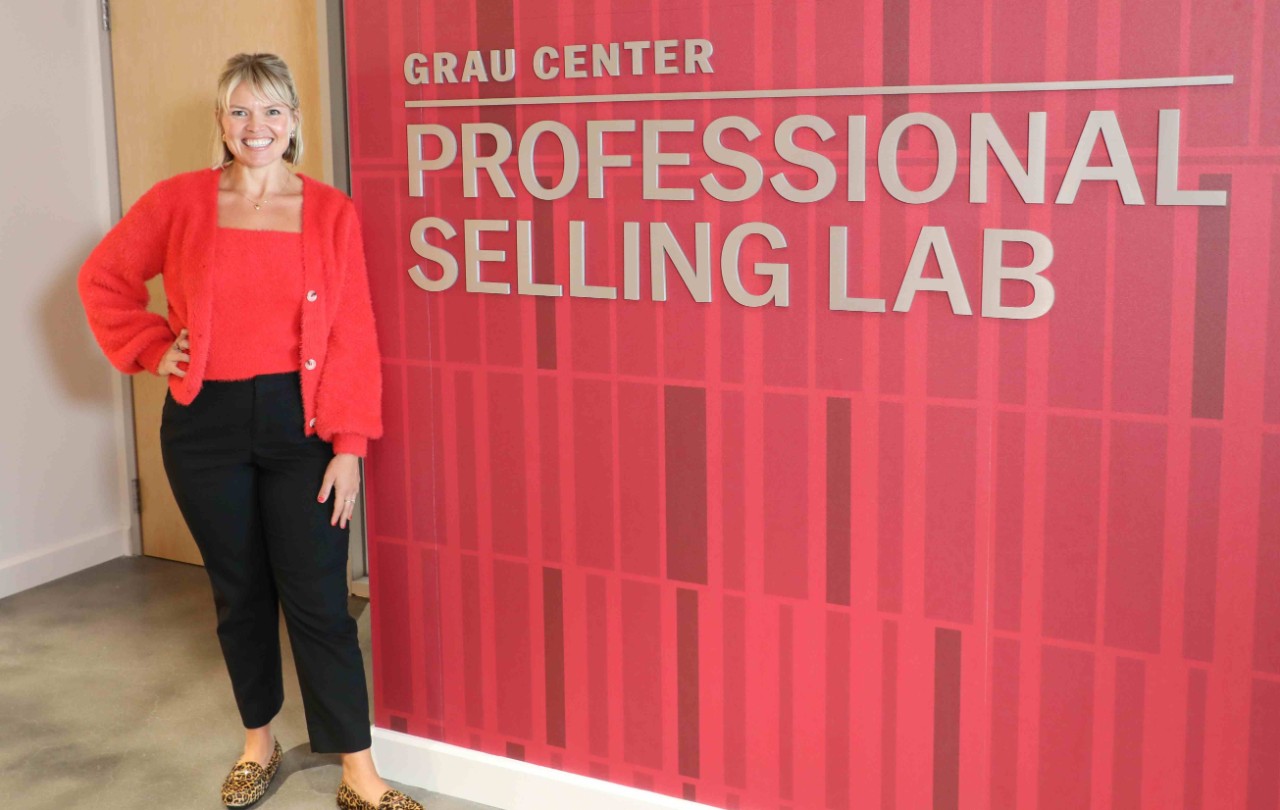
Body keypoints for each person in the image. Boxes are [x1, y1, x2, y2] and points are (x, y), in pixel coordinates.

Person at [78, 53, 421, 810]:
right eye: (238, 111)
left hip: (303, 427)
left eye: (270, 111)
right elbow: (104, 278)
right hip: (206, 425)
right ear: (220, 123)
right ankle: (256, 745)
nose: (254, 127)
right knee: (239, 591)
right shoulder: (180, 202)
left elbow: (353, 336)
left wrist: (350, 448)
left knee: (319, 599)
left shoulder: (331, 211)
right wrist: (150, 346)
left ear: (294, 122)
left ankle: (358, 774)